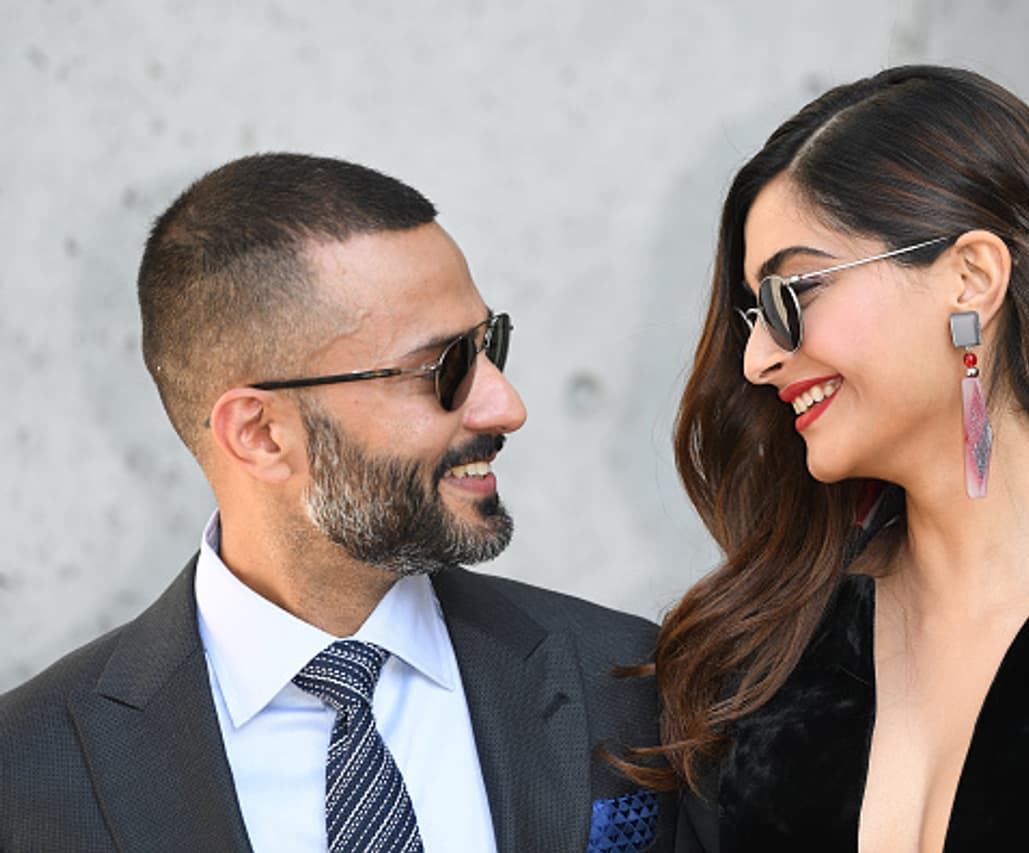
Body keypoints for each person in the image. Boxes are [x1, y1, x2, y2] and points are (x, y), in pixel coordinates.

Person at [639, 66, 1029, 851]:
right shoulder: (754, 660)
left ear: (972, 279)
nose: (757, 359)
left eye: (791, 295)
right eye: (753, 315)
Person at [0, 153, 670, 852]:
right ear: (260, 434)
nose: (506, 406)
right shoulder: (24, 778)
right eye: (445, 368)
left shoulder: (630, 681)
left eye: (488, 344)